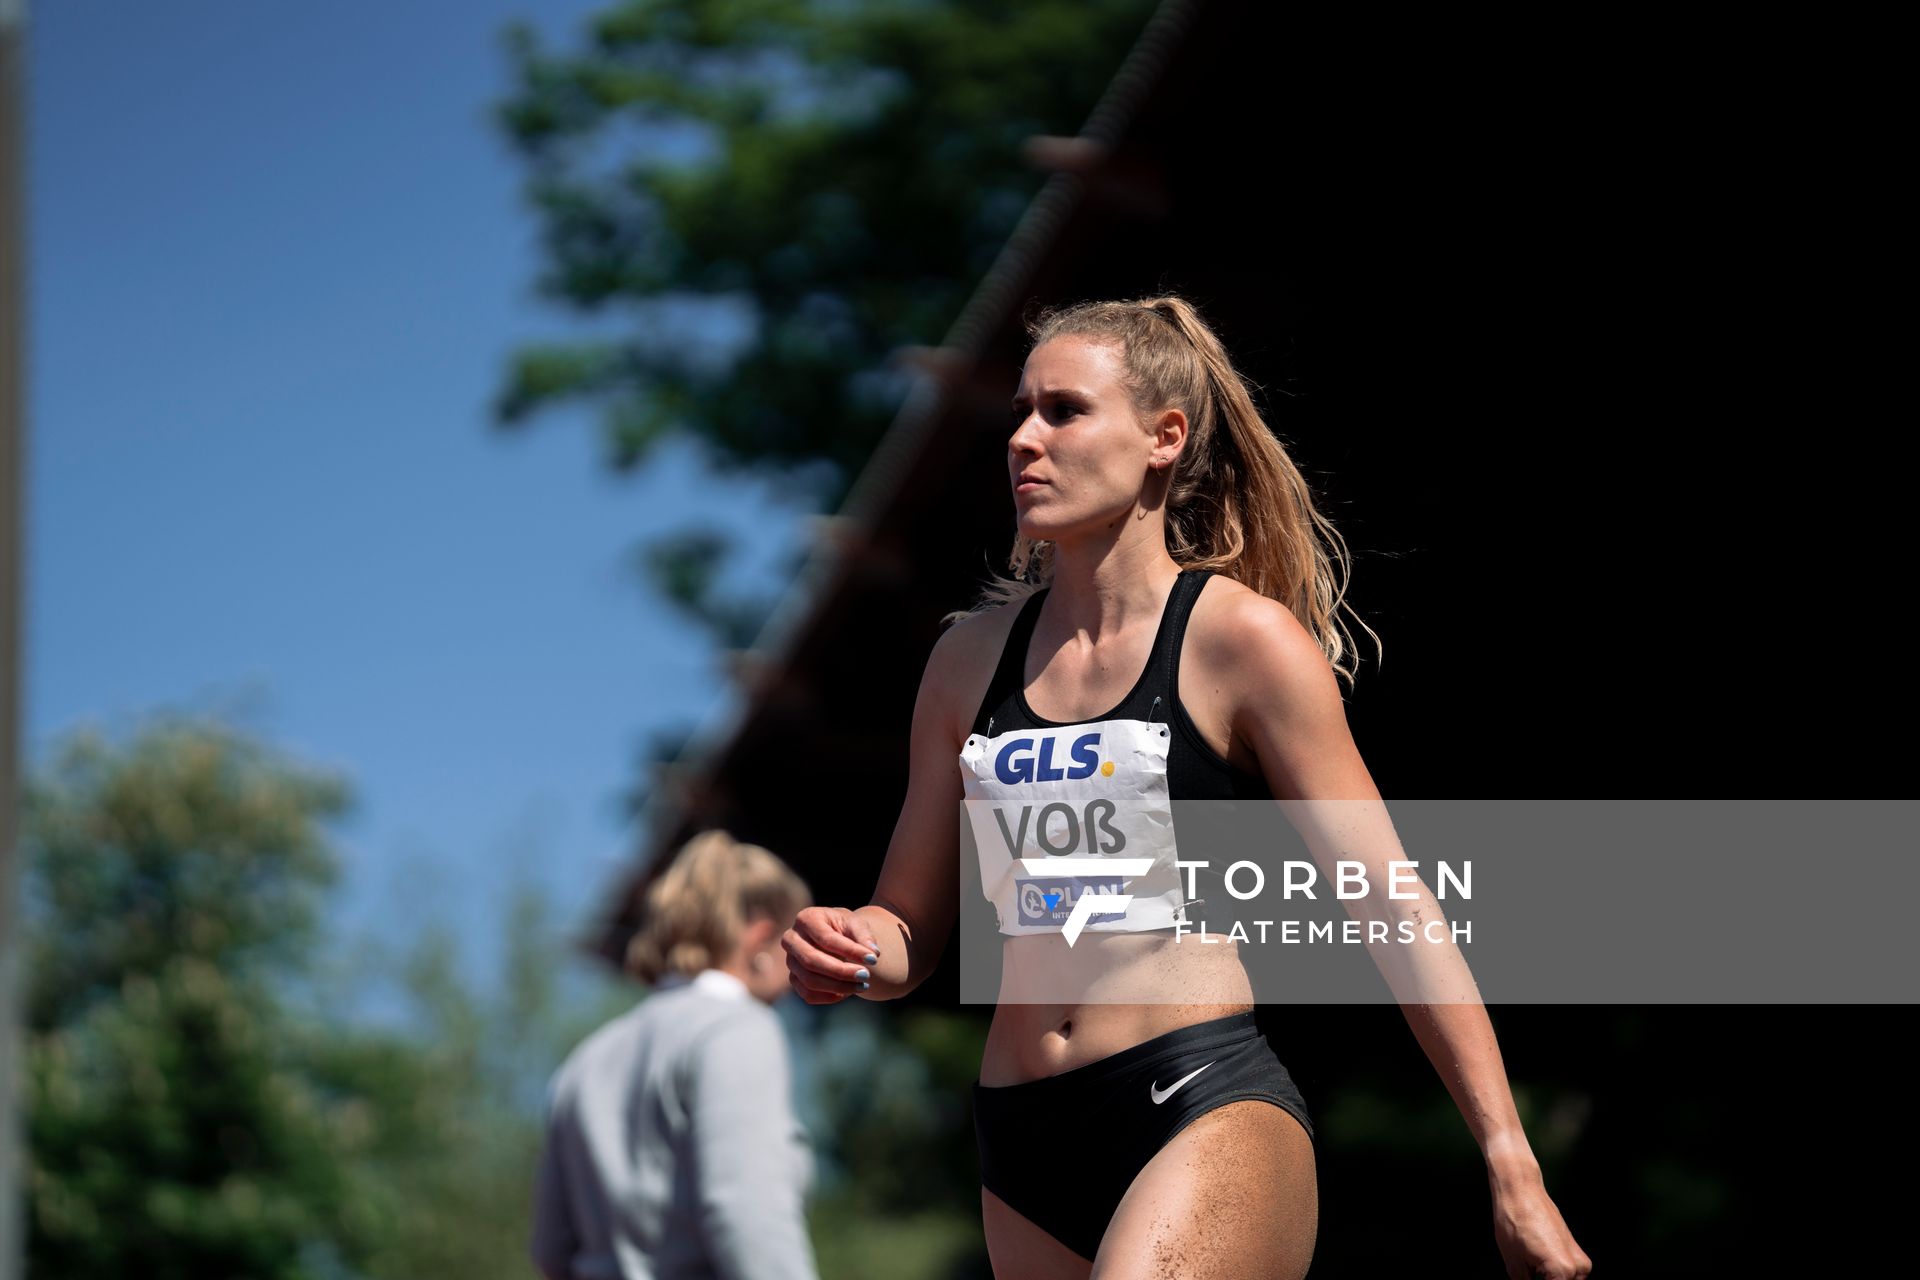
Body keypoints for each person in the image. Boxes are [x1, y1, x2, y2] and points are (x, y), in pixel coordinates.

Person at [781, 295, 1594, 1279]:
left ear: (1164, 437)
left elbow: (1394, 906)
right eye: (1020, 412)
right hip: (1021, 1134)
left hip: (1198, 1094)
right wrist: (854, 944)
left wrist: (1510, 1159)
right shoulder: (965, 662)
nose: (1024, 439)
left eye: (1065, 410)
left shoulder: (1240, 641)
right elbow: (908, 923)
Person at [532, 829, 821, 1280]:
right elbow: (747, 1214)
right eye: (796, 949)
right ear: (762, 939)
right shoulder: (737, 1029)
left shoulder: (586, 1058)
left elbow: (551, 1250)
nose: (798, 977)